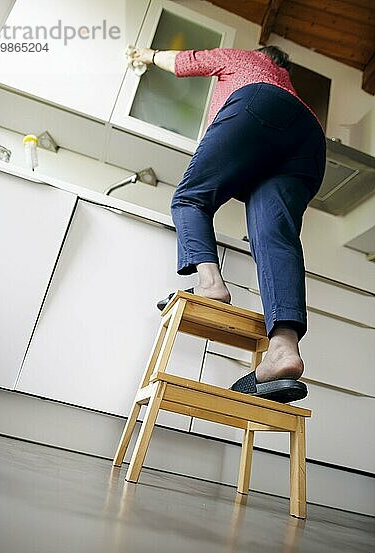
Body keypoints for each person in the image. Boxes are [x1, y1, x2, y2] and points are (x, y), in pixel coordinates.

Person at [131, 45, 326, 402]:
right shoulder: (286, 84)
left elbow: (185, 62)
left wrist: (146, 54)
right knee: (274, 237)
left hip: (259, 106)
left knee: (191, 197)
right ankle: (284, 349)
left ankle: (209, 285)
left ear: (260, 53)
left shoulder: (243, 58)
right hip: (310, 140)